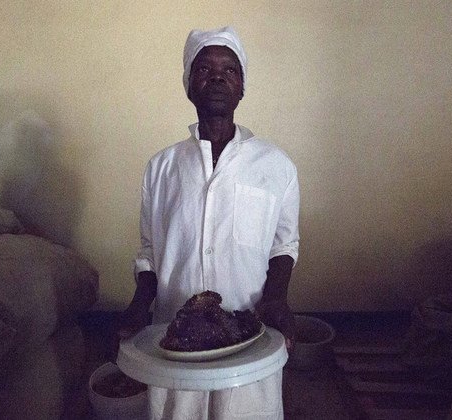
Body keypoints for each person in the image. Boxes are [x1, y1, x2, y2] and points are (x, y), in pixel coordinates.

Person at [117, 26, 300, 420]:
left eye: (229, 69)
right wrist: (138, 304)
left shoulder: (275, 166)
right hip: (174, 338)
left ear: (242, 87)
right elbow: (149, 251)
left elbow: (283, 246)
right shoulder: (160, 168)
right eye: (204, 68)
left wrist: (277, 298)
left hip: (249, 336)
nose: (217, 76)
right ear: (188, 84)